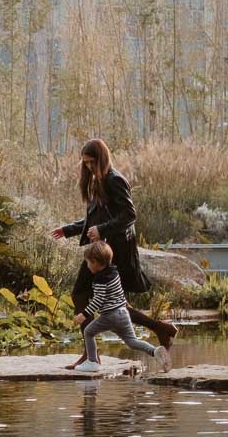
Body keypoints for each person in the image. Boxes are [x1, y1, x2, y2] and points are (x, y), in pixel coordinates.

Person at [51, 138, 178, 368]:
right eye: (85, 164)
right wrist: (68, 229)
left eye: (91, 163)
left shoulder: (114, 180)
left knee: (84, 295)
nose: (88, 167)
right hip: (103, 248)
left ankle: (91, 355)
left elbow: (129, 215)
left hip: (114, 251)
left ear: (101, 159)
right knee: (112, 303)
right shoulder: (97, 181)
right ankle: (160, 328)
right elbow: (95, 218)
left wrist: (101, 230)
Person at [70, 241, 170, 374]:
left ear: (94, 262)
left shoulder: (100, 279)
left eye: (88, 262)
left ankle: (92, 362)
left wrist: (84, 315)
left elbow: (98, 300)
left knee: (88, 332)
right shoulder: (114, 273)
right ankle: (155, 351)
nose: (87, 266)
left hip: (110, 315)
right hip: (123, 313)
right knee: (132, 342)